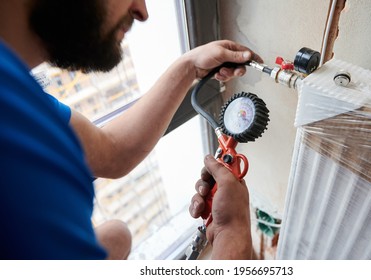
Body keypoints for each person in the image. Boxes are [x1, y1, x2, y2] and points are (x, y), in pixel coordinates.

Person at [0, 0, 260, 259]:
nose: (142, 12)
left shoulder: (23, 98)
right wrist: (232, 234)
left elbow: (112, 149)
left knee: (116, 236)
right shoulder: (12, 124)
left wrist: (190, 66)